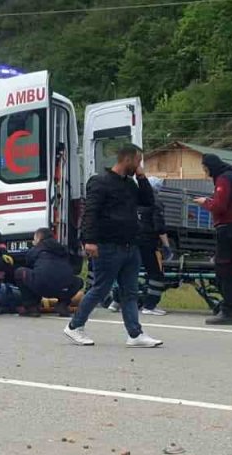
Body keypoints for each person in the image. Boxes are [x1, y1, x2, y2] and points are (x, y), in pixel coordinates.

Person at [64, 145, 163, 347]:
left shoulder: (131, 185)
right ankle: (75, 327)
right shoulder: (100, 182)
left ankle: (135, 334)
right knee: (100, 288)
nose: (139, 165)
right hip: (107, 245)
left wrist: (142, 177)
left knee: (130, 292)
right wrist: (89, 240)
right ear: (127, 160)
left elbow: (148, 201)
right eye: (138, 161)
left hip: (130, 245)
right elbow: (90, 212)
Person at [195, 153, 232, 325]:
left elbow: (220, 206)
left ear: (210, 166)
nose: (205, 171)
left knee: (224, 271)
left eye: (205, 168)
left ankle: (228, 310)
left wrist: (205, 202)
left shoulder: (223, 179)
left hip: (228, 229)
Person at [14, 227, 82, 317]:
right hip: (64, 288)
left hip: (43, 285)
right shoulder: (63, 249)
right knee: (79, 281)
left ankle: (31, 307)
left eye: (34, 240)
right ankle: (63, 304)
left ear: (38, 238)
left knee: (20, 272)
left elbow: (28, 262)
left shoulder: (37, 248)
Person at [137, 175, 172, 317]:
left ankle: (117, 301)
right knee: (156, 274)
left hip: (134, 240)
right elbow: (159, 227)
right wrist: (167, 246)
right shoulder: (155, 202)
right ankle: (150, 305)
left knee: (130, 272)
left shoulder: (135, 200)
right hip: (148, 242)